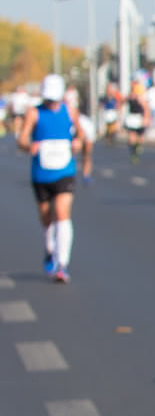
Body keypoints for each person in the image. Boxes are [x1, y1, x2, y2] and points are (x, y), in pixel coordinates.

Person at [18, 74, 83, 283]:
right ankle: (50, 248)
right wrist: (29, 146)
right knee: (46, 216)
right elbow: (22, 139)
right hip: (41, 172)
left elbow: (81, 135)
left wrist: (78, 143)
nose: (53, 103)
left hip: (65, 170)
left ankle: (62, 264)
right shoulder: (34, 113)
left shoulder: (70, 112)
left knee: (63, 213)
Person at [123, 83, 149, 162]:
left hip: (139, 118)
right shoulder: (130, 97)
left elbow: (146, 108)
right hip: (131, 118)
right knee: (131, 137)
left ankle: (138, 147)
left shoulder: (141, 98)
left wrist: (146, 118)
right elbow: (122, 102)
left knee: (140, 138)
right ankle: (133, 153)